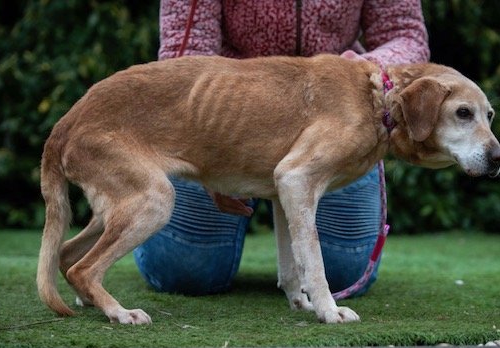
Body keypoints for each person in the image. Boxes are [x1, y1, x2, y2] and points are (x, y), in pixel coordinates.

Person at [134, 0, 430, 297]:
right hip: (228, 114)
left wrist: (361, 69)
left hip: (338, 116)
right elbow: (187, 48)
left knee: (343, 272)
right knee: (182, 269)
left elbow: (404, 34)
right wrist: (208, 142)